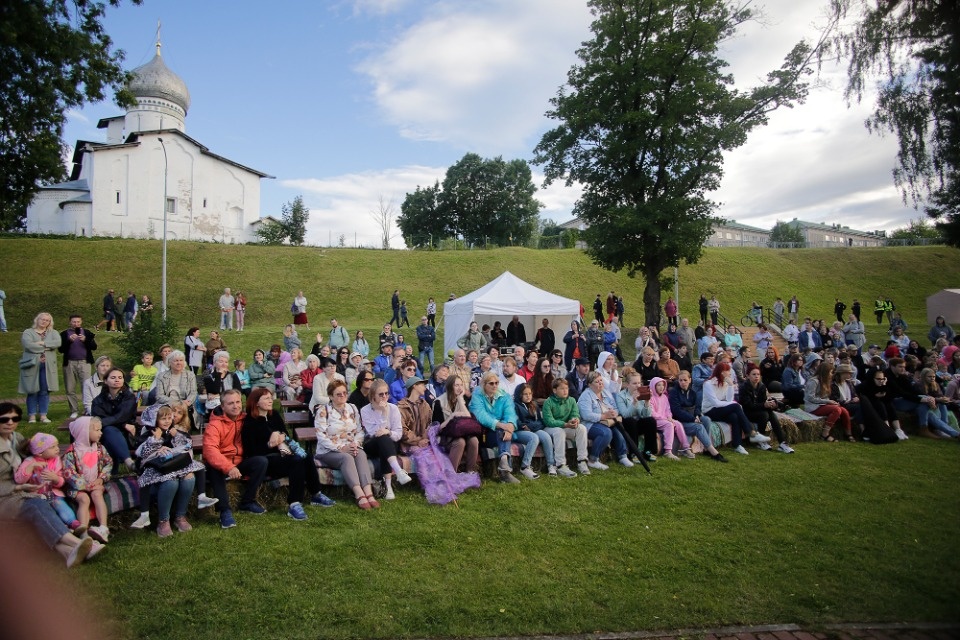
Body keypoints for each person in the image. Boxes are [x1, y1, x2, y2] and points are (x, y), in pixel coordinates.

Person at [0, 402, 101, 567]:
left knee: (42, 506)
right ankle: (77, 543)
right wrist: (18, 487)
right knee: (37, 506)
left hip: (25, 491)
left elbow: (37, 453)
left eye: (15, 418)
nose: (10, 422)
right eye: (4, 419)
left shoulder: (17, 438)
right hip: (5, 497)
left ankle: (67, 552)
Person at [243, 388, 334, 520]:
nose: (270, 400)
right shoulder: (250, 422)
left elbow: (285, 433)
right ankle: (294, 504)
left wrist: (280, 436)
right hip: (266, 460)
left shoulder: (274, 415)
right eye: (266, 398)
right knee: (296, 461)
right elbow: (251, 451)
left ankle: (316, 494)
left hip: (283, 453)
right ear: (256, 402)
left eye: (271, 397)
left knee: (306, 456)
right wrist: (269, 444)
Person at [134, 405, 205, 536]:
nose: (167, 421)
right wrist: (156, 442)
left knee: (189, 477)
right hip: (155, 473)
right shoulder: (149, 434)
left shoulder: (172, 431)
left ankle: (180, 516)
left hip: (174, 467)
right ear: (155, 420)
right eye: (163, 419)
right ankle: (163, 520)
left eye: (169, 418)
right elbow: (142, 455)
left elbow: (186, 446)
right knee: (171, 482)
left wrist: (175, 437)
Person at [315, 379, 379, 509]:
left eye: (344, 393)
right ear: (331, 396)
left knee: (361, 454)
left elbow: (359, 430)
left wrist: (355, 443)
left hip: (350, 446)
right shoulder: (323, 411)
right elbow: (321, 436)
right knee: (346, 458)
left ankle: (368, 492)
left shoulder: (352, 408)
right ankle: (358, 493)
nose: (343, 396)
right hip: (328, 451)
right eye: (338, 394)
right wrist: (341, 448)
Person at [469, 372, 527, 483]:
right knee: (501, 432)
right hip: (484, 433)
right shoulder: (477, 395)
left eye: (496, 383)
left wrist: (510, 426)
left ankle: (504, 463)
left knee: (502, 433)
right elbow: (481, 415)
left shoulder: (504, 395)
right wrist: (501, 425)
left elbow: (510, 413)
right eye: (491, 383)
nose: (495, 385)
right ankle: (505, 472)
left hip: (502, 431)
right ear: (484, 384)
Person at [360, 380, 413, 499]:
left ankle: (388, 488)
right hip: (371, 444)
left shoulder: (393, 408)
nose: (384, 397)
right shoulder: (365, 410)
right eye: (381, 394)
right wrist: (384, 414)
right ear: (373, 396)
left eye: (386, 393)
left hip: (389, 444)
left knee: (385, 441)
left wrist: (388, 432)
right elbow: (373, 433)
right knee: (383, 438)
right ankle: (398, 472)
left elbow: (398, 434)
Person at [702, 362, 770, 455]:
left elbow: (729, 399)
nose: (730, 374)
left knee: (734, 417)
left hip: (720, 409)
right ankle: (751, 433)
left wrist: (730, 385)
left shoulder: (725, 383)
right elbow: (716, 403)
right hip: (709, 410)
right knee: (736, 406)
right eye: (728, 371)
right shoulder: (708, 384)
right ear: (722, 372)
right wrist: (734, 404)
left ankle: (737, 445)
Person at [62, 416, 112, 543]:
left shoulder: (99, 448)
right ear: (84, 432)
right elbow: (69, 473)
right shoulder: (72, 452)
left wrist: (101, 479)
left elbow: (108, 463)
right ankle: (83, 532)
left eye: (100, 430)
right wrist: (84, 485)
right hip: (77, 488)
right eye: (97, 430)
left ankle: (103, 528)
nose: (101, 433)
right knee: (84, 499)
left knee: (97, 494)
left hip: (95, 484)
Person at [15, 432, 77, 531]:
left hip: (53, 493)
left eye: (57, 445)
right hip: (36, 495)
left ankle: (73, 522)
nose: (57, 449)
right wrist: (30, 467)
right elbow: (19, 480)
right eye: (53, 447)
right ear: (40, 452)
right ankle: (60, 527)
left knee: (60, 504)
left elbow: (62, 481)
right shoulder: (29, 461)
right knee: (45, 510)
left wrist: (56, 479)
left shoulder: (56, 460)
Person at [668, 371, 728, 462]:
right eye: (680, 380)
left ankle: (706, 449)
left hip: (691, 417)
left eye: (685, 380)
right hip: (680, 421)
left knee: (706, 419)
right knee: (698, 427)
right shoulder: (674, 392)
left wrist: (697, 415)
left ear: (690, 380)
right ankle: (714, 452)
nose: (683, 382)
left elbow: (697, 407)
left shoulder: (693, 392)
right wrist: (693, 419)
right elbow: (677, 411)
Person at [577, 371, 632, 469]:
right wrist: (604, 416)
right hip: (589, 424)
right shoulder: (585, 396)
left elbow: (615, 407)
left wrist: (614, 412)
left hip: (607, 422)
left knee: (618, 429)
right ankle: (593, 460)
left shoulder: (605, 392)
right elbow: (586, 415)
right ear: (589, 385)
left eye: (601, 380)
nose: (600, 383)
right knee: (605, 432)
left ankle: (622, 456)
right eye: (597, 382)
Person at [90, 367, 138, 474]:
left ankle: (110, 474)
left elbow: (121, 416)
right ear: (105, 381)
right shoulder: (98, 400)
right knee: (109, 431)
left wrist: (122, 425)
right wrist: (123, 424)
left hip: (127, 435)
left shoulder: (129, 398)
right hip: (104, 435)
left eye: (120, 378)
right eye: (113, 378)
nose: (117, 380)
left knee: (109, 432)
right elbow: (98, 420)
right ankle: (128, 462)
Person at [739, 364, 794, 452]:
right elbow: (748, 405)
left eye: (758, 374)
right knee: (764, 414)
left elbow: (764, 401)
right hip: (747, 412)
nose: (756, 376)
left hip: (759, 410)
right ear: (748, 376)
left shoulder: (761, 386)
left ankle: (782, 443)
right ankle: (761, 441)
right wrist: (764, 405)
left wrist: (772, 404)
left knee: (771, 414)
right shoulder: (743, 387)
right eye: (754, 374)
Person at [18, 312, 61, 424]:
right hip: (32, 365)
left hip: (47, 366)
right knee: (32, 390)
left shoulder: (53, 332)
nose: (44, 322)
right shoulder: (28, 332)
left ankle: (43, 415)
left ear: (50, 322)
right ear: (37, 319)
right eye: (42, 319)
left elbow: (57, 342)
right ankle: (32, 416)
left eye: (47, 320)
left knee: (44, 391)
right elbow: (28, 345)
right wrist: (47, 347)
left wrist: (42, 343)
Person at [613, 369, 659, 462]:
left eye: (639, 383)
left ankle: (648, 451)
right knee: (631, 421)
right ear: (627, 384)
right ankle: (633, 453)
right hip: (626, 424)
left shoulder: (641, 393)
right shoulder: (621, 396)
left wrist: (647, 402)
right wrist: (634, 402)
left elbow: (645, 415)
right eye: (634, 383)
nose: (637, 385)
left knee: (650, 420)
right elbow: (625, 415)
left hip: (638, 423)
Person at [58, 315, 97, 419]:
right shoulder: (64, 334)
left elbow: (94, 347)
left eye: (78, 322)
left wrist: (85, 340)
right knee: (70, 388)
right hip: (69, 363)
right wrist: (69, 341)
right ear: (70, 322)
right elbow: (61, 349)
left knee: (86, 386)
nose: (76, 324)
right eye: (74, 322)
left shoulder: (87, 333)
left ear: (81, 322)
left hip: (84, 362)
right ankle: (74, 410)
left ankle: (87, 409)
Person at [647, 377, 694, 459]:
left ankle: (686, 448)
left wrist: (669, 417)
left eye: (663, 385)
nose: (661, 387)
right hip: (654, 420)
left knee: (678, 424)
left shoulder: (664, 397)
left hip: (665, 419)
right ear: (653, 386)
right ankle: (668, 451)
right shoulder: (650, 398)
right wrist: (665, 418)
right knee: (669, 425)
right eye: (658, 385)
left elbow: (668, 410)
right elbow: (652, 413)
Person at [804, 362, 853, 442]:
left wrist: (831, 402)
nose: (831, 374)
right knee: (836, 410)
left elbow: (825, 397)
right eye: (830, 372)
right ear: (825, 372)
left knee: (844, 410)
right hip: (813, 407)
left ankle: (848, 433)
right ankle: (825, 433)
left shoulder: (825, 381)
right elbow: (810, 398)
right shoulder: (813, 381)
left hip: (822, 404)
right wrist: (828, 401)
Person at [512, 384, 549, 480]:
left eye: (530, 393)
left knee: (545, 436)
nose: (528, 396)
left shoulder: (534, 405)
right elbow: (518, 423)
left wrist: (531, 426)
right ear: (520, 395)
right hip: (519, 431)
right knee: (533, 438)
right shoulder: (515, 405)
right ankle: (525, 467)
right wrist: (528, 426)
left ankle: (551, 465)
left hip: (532, 429)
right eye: (525, 394)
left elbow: (541, 422)